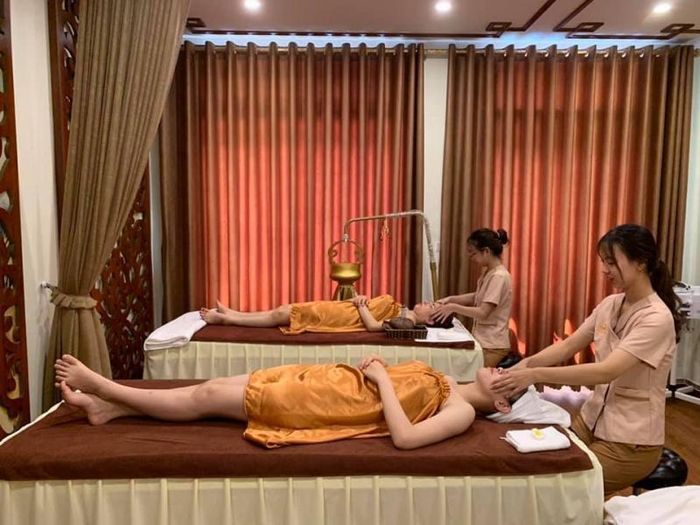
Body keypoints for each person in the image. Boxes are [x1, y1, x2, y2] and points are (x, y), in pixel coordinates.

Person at [491, 224, 682, 496]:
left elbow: (607, 371)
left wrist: (535, 375)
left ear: (641, 263)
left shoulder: (656, 318)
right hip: (589, 421)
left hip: (630, 440)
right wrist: (524, 365)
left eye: (611, 262)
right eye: (603, 261)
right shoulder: (610, 305)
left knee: (563, 490)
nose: (605, 270)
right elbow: (568, 345)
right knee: (541, 473)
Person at [54, 354, 522, 449]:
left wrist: (381, 378)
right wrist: (376, 369)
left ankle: (106, 388)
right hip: (324, 379)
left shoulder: (461, 411)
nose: (500, 371)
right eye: (505, 368)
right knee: (215, 384)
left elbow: (404, 437)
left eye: (508, 379)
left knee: (207, 396)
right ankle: (111, 408)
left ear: (501, 407)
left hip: (325, 404)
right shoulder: (446, 378)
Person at [432, 228, 513, 367]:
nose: (471, 258)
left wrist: (453, 307)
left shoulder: (499, 276)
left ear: (486, 251)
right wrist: (451, 299)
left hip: (493, 345)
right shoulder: (489, 273)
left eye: (473, 253)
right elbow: (478, 297)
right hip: (484, 341)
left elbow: (483, 312)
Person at [200, 294, 452, 334]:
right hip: (342, 309)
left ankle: (228, 319)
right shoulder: (403, 309)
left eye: (430, 306)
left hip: (342, 318)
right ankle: (233, 314)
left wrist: (361, 304)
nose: (425, 302)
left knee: (282, 314)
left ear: (431, 320)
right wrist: (360, 300)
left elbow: (375, 327)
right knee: (283, 310)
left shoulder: (406, 321)